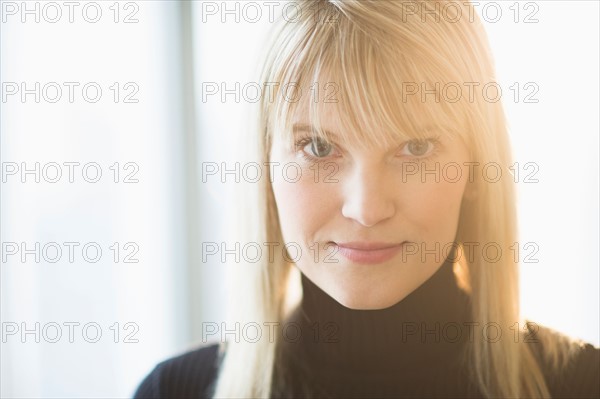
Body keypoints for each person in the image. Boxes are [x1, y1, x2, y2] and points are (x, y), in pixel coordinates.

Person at [134, 1, 599, 398]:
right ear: (265, 165)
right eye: (319, 147)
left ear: (477, 166)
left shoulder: (581, 385)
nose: (367, 208)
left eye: (414, 148)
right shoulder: (176, 392)